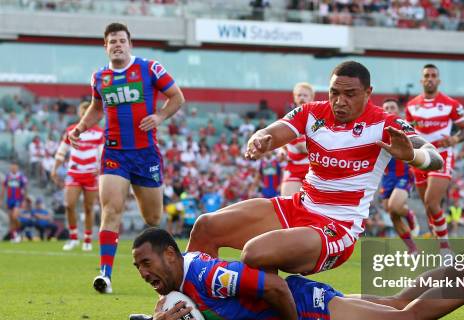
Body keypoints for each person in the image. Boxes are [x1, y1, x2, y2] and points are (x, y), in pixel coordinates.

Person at [187, 61, 443, 276]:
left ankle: (266, 317)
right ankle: (185, 306)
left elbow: (435, 158)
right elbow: (273, 132)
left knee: (256, 252)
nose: (340, 101)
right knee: (205, 227)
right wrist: (261, 138)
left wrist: (412, 156)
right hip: (300, 206)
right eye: (334, 93)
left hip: (338, 226)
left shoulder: (385, 123)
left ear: (368, 92)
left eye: (350, 94)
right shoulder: (313, 113)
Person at [130, 228, 464, 320]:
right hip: (306, 303)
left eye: (146, 263)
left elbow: (275, 290)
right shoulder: (177, 283)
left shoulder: (205, 274)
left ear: (170, 254)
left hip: (306, 310)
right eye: (137, 268)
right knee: (397, 303)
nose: (144, 273)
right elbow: (172, 310)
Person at [68, 22, 185, 293]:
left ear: (129, 43)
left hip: (146, 154)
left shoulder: (150, 68)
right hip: (114, 153)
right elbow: (97, 107)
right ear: (106, 46)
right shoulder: (99, 78)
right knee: (110, 210)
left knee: (153, 218)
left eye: (122, 40)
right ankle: (105, 275)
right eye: (113, 41)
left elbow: (177, 97)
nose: (118, 45)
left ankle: (176, 265)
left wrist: (159, 116)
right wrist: (81, 128)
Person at [404, 64, 464, 256]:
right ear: (421, 80)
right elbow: (409, 132)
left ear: (439, 80)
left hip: (442, 155)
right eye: (426, 76)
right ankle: (437, 242)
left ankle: (445, 248)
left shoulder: (451, 104)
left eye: (433, 75)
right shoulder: (412, 106)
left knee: (432, 202)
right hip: (420, 157)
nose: (430, 79)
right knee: (428, 207)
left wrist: (455, 138)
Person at [52, 101, 104, 251]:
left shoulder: (99, 133)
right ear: (79, 113)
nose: (84, 113)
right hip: (74, 173)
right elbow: (61, 152)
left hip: (91, 175)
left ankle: (87, 239)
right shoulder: (71, 130)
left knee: (89, 208)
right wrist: (55, 169)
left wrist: (100, 168)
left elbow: (103, 154)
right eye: (82, 111)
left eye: (87, 110)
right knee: (69, 205)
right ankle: (73, 237)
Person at [380, 98, 418, 253]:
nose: (389, 109)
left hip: (403, 174)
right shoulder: (377, 128)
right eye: (386, 107)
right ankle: (412, 249)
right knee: (392, 214)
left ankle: (409, 214)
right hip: (386, 177)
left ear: (398, 111)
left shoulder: (404, 127)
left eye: (392, 107)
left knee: (395, 207)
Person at [280, 82, 315, 196]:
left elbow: (302, 147)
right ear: (294, 98)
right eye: (299, 95)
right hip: (293, 170)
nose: (302, 98)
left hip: (314, 171)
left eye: (305, 95)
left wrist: (305, 147)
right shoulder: (288, 119)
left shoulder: (318, 120)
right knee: (286, 207)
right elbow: (282, 142)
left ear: (312, 98)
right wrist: (282, 150)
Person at [1, 162, 28, 242]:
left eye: (15, 167)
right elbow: (3, 188)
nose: (13, 169)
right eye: (12, 167)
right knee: (10, 219)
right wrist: (1, 199)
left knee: (14, 217)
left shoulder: (21, 177)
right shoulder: (8, 177)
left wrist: (24, 201)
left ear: (17, 168)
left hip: (18, 200)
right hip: (10, 200)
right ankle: (14, 236)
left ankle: (19, 230)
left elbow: (25, 189)